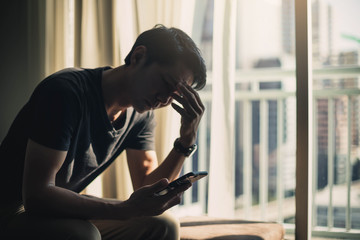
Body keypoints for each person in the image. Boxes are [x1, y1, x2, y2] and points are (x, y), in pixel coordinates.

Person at [0, 24, 206, 239]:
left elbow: (147, 186)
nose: (164, 99)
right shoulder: (65, 92)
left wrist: (186, 140)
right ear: (138, 57)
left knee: (164, 224)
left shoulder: (141, 116)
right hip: (11, 212)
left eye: (175, 95)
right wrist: (125, 209)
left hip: (56, 213)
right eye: (165, 83)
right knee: (83, 234)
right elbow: (36, 196)